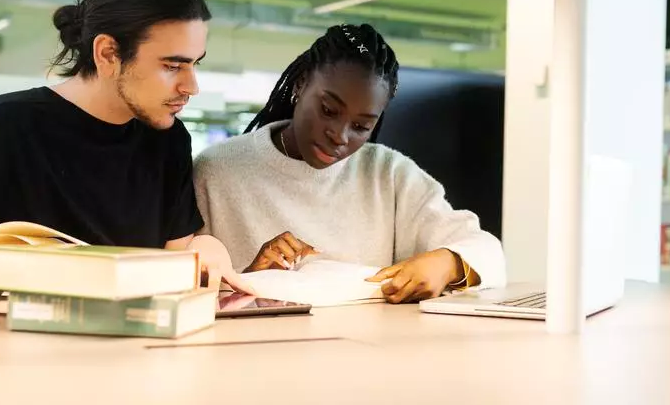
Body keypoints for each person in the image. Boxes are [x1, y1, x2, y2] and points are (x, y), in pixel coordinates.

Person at [0, 0, 248, 292]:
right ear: (108, 53)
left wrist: (203, 251)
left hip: (131, 339)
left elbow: (174, 265)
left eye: (194, 65)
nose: (191, 86)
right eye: (173, 66)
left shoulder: (168, 140)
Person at [193, 24, 506, 303]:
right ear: (301, 84)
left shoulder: (390, 175)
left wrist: (448, 262)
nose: (340, 136)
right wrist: (251, 278)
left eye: (361, 126)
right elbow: (186, 294)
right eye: (329, 110)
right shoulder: (217, 171)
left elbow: (487, 251)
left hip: (369, 358)